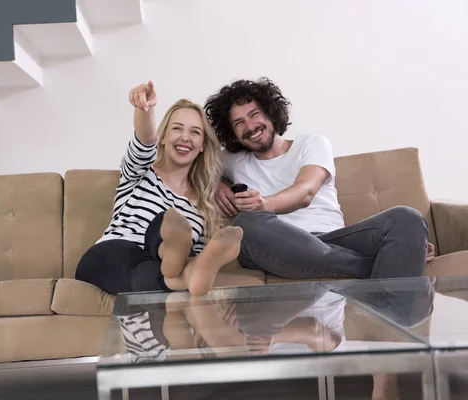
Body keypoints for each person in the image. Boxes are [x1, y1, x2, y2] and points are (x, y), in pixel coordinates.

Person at [204, 77, 435, 280]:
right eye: (239, 123)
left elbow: (305, 191)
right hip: (276, 246)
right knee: (247, 225)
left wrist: (264, 204)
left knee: (407, 219)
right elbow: (194, 162)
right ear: (231, 133)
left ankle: (384, 324)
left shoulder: (312, 144)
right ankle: (374, 265)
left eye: (254, 114)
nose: (250, 126)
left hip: (333, 240)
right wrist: (215, 184)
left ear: (270, 112)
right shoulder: (233, 160)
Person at [76, 81, 243, 297]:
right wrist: (146, 107)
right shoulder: (139, 171)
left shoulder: (204, 205)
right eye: (177, 128)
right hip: (112, 254)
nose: (185, 137)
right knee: (165, 223)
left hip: (157, 274)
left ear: (202, 145)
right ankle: (180, 266)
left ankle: (181, 266)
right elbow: (145, 139)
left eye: (195, 132)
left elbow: (202, 263)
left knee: (175, 257)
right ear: (163, 137)